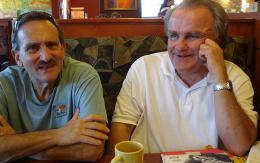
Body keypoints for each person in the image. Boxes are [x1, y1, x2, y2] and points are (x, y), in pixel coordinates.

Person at [109, 0, 258, 156]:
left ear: (217, 40)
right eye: (173, 35)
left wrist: (219, 77)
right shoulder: (144, 68)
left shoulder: (235, 77)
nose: (179, 46)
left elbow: (239, 146)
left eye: (192, 36)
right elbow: (122, 129)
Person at [0, 11, 109, 162]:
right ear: (18, 57)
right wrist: (60, 135)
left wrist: (16, 145)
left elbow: (92, 150)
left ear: (63, 49)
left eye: (51, 45)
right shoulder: (4, 83)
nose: (45, 56)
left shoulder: (83, 76)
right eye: (33, 48)